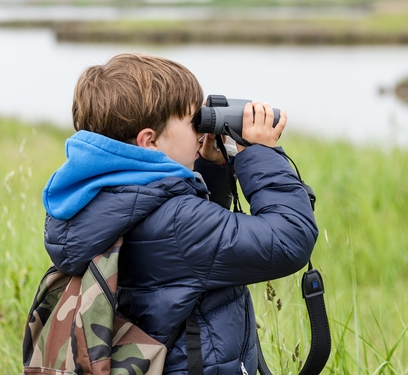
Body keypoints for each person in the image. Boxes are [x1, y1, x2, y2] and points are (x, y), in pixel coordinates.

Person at [42, 53, 317, 374]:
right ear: (149, 141)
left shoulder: (99, 196)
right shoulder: (177, 222)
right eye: (192, 121)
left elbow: (188, 247)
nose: (201, 129)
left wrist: (211, 168)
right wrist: (261, 155)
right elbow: (289, 240)